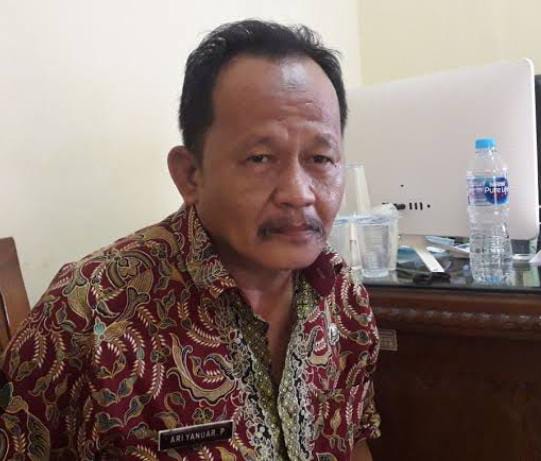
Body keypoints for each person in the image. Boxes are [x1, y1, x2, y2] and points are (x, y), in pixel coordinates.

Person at [0, 19, 380, 460]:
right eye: (260, 158)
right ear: (190, 175)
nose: (299, 193)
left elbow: (353, 440)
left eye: (320, 158)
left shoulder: (343, 296)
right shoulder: (89, 314)